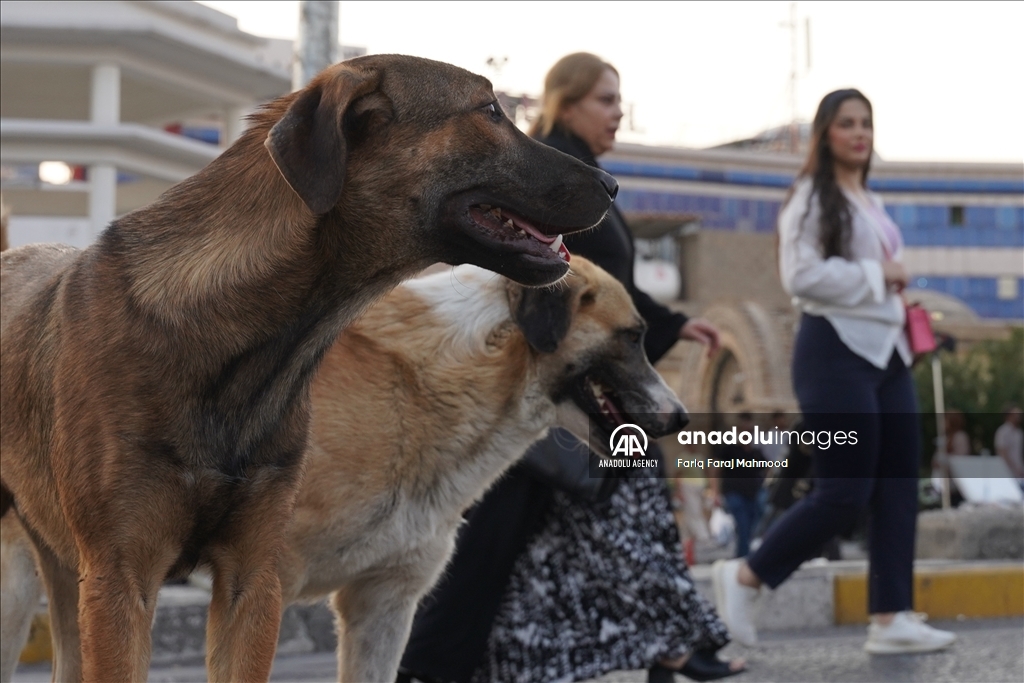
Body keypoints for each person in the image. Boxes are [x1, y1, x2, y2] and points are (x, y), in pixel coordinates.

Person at [400, 53, 743, 683]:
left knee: (538, 534)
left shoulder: (584, 180)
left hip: (573, 380)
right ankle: (432, 663)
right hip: (552, 379)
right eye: (605, 100)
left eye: (618, 100)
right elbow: (540, 276)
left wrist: (670, 324)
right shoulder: (549, 176)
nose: (617, 113)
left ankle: (666, 644)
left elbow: (611, 290)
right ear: (566, 101)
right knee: (512, 532)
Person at [711, 89, 957, 655]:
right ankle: (747, 574)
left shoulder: (867, 196)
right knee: (844, 491)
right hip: (834, 353)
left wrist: (893, 299)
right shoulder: (810, 197)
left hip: (887, 354)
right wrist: (880, 275)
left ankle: (891, 617)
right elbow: (801, 277)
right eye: (847, 123)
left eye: (866, 122)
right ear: (825, 134)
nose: (859, 132)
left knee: (898, 488)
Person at [709, 413, 767, 558]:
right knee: (742, 524)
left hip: (753, 494)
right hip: (734, 493)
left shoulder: (756, 453)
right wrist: (715, 492)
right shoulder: (729, 450)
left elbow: (768, 468)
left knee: (751, 527)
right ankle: (744, 557)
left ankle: (744, 554)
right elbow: (714, 469)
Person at [994, 404, 1024, 483]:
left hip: (1019, 473)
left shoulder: (1019, 432)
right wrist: (1014, 468)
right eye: (1016, 413)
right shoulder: (1002, 432)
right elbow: (1002, 453)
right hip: (1006, 473)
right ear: (1008, 416)